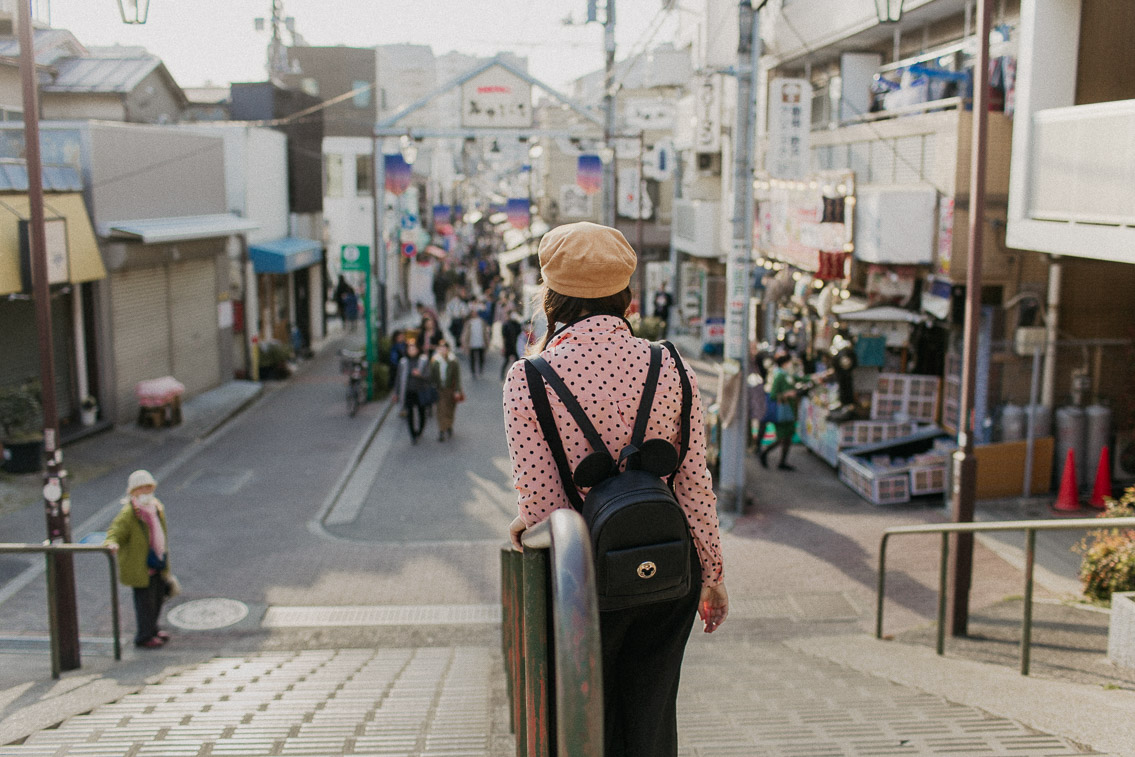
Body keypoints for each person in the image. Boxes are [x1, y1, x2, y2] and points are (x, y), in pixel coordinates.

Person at [503, 221, 727, 757]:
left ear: (550, 298)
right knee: (652, 720)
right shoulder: (672, 365)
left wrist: (523, 524)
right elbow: (695, 482)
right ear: (628, 298)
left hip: (585, 581)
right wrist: (713, 575)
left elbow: (543, 508)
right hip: (669, 562)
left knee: (584, 722)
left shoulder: (529, 378)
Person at [104, 470, 173, 649]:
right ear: (133, 491)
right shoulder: (130, 513)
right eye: (140, 488)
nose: (145, 492)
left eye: (148, 487)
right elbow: (115, 531)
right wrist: (111, 543)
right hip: (141, 567)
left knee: (158, 597)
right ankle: (143, 636)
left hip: (157, 561)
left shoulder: (156, 507)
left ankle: (153, 629)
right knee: (145, 603)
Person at [759, 352, 801, 471]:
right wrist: (787, 394)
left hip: (789, 411)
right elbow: (773, 394)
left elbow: (799, 379)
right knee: (782, 437)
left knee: (788, 436)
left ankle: (782, 461)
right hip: (782, 411)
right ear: (785, 363)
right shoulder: (779, 375)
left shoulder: (787, 374)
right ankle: (765, 452)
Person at [394, 341, 431, 444]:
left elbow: (429, 377)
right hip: (408, 392)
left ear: (418, 349)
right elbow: (398, 379)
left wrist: (420, 375)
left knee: (421, 412)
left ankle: (420, 430)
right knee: (409, 413)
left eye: (413, 348)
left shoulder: (423, 360)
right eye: (409, 349)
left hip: (420, 391)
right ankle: (413, 434)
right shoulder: (403, 362)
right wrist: (396, 393)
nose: (411, 351)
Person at [430, 340, 463, 441]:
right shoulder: (435, 361)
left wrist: (458, 390)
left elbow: (457, 377)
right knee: (440, 409)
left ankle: (448, 425)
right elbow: (431, 376)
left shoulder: (453, 361)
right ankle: (441, 430)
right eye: (441, 348)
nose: (443, 350)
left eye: (445, 348)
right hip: (440, 389)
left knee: (450, 409)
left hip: (450, 389)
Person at [461, 307, 490, 379]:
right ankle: (473, 372)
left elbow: (485, 332)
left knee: (481, 358)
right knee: (472, 359)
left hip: (480, 342)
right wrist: (464, 343)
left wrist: (487, 341)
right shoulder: (468, 323)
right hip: (471, 343)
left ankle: (480, 370)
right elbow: (465, 334)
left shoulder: (481, 321)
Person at [500, 311, 523, 380]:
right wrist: (503, 347)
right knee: (506, 360)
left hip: (516, 345)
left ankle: (516, 374)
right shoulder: (506, 324)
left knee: (516, 361)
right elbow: (504, 336)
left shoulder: (517, 324)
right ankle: (502, 374)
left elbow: (520, 332)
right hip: (508, 345)